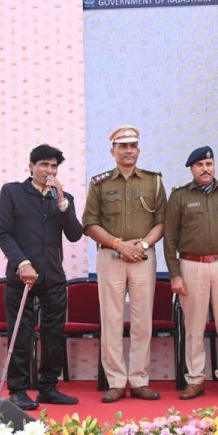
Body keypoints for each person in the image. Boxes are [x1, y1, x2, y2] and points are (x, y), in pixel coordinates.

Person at [82, 125, 167, 403]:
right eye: (123, 146)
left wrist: (141, 246)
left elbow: (161, 222)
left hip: (143, 257)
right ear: (113, 151)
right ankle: (116, 382)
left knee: (142, 321)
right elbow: (90, 223)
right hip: (111, 256)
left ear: (138, 150)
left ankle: (140, 380)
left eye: (132, 146)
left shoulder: (154, 182)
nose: (128, 150)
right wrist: (119, 244)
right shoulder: (99, 183)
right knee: (112, 321)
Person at [0, 144, 83, 410]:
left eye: (54, 166)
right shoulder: (12, 192)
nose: (49, 170)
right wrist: (22, 263)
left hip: (54, 276)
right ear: (31, 166)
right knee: (21, 332)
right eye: (44, 164)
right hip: (22, 276)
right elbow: (4, 233)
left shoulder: (63, 198)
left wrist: (63, 203)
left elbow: (75, 234)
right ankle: (18, 389)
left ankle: (48, 388)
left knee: (53, 333)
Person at [163, 145, 218, 400]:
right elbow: (170, 238)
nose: (205, 169)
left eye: (209, 164)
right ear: (192, 169)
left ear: (214, 167)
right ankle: (195, 380)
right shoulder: (179, 196)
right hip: (191, 265)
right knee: (194, 327)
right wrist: (175, 274)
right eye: (200, 165)